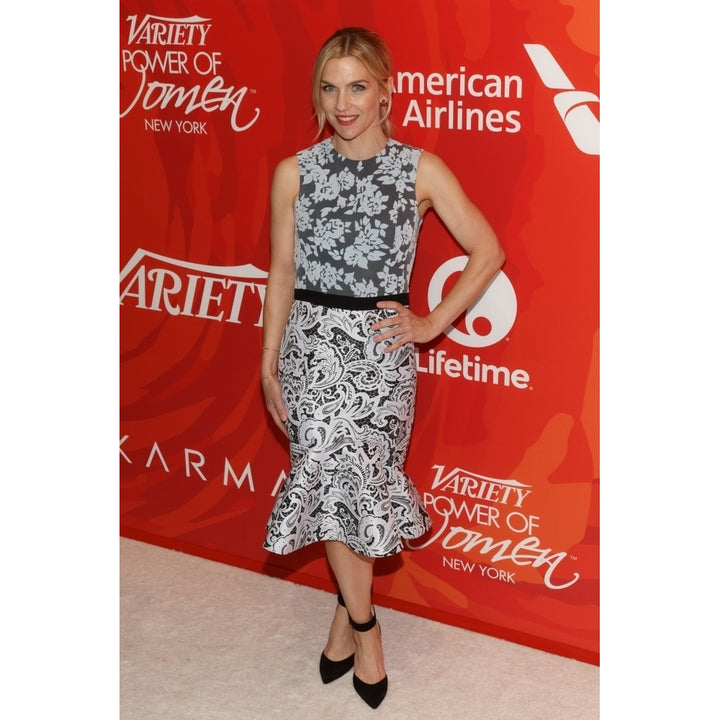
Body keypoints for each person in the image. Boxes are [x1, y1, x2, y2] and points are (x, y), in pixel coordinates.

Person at [261, 27, 505, 709]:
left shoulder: (419, 170)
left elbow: (488, 250)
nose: (343, 103)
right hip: (310, 350)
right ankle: (363, 622)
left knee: (356, 489)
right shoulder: (295, 172)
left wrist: (430, 324)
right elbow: (281, 272)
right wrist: (268, 364)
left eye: (357, 87)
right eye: (330, 88)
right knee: (333, 485)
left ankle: (354, 620)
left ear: (386, 91)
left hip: (379, 355)